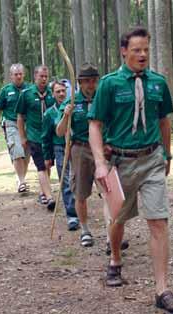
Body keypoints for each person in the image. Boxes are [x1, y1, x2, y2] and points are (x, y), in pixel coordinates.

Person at [88, 27, 173, 312]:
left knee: (158, 221)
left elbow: (163, 120)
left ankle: (162, 291)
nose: (142, 54)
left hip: (152, 159)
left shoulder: (158, 83)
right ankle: (115, 258)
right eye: (136, 50)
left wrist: (167, 155)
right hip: (119, 164)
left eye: (146, 49)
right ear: (123, 51)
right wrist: (100, 164)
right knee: (117, 219)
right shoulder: (109, 84)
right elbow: (95, 124)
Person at [56, 62, 101, 247]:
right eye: (87, 81)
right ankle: (85, 230)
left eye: (93, 80)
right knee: (80, 192)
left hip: (103, 149)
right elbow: (59, 132)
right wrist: (67, 116)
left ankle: (112, 232)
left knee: (109, 191)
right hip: (80, 149)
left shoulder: (103, 98)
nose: (91, 85)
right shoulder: (72, 102)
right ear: (80, 83)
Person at [16, 65, 56, 210]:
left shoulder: (52, 93)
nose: (44, 79)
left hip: (50, 136)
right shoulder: (26, 94)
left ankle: (43, 192)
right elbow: (20, 116)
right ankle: (49, 197)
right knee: (41, 165)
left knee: (48, 164)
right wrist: (22, 137)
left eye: (46, 76)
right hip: (35, 135)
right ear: (35, 77)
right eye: (41, 76)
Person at [42, 80, 79, 231]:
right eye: (58, 91)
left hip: (76, 146)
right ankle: (72, 215)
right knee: (65, 180)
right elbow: (45, 136)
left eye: (63, 90)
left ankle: (79, 207)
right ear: (53, 94)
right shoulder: (49, 113)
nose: (61, 94)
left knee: (78, 179)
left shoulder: (75, 108)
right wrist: (47, 156)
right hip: (59, 148)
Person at [0, 63, 30, 193]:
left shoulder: (30, 89)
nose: (18, 76)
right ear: (11, 76)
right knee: (17, 151)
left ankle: (21, 178)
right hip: (11, 124)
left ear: (23, 74)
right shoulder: (6, 90)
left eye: (20, 74)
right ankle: (22, 181)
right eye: (16, 74)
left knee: (26, 154)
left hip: (27, 125)